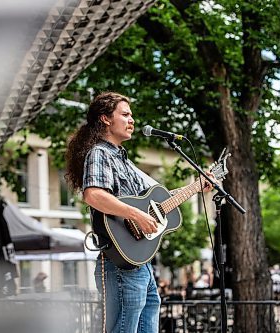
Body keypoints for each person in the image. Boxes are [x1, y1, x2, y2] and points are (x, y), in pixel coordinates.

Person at [65, 92, 214, 333]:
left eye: (131, 115)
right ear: (105, 119)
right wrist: (136, 215)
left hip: (140, 261)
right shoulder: (100, 153)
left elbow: (156, 201)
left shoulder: (123, 159)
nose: (131, 120)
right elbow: (93, 195)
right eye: (125, 114)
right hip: (119, 262)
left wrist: (196, 186)